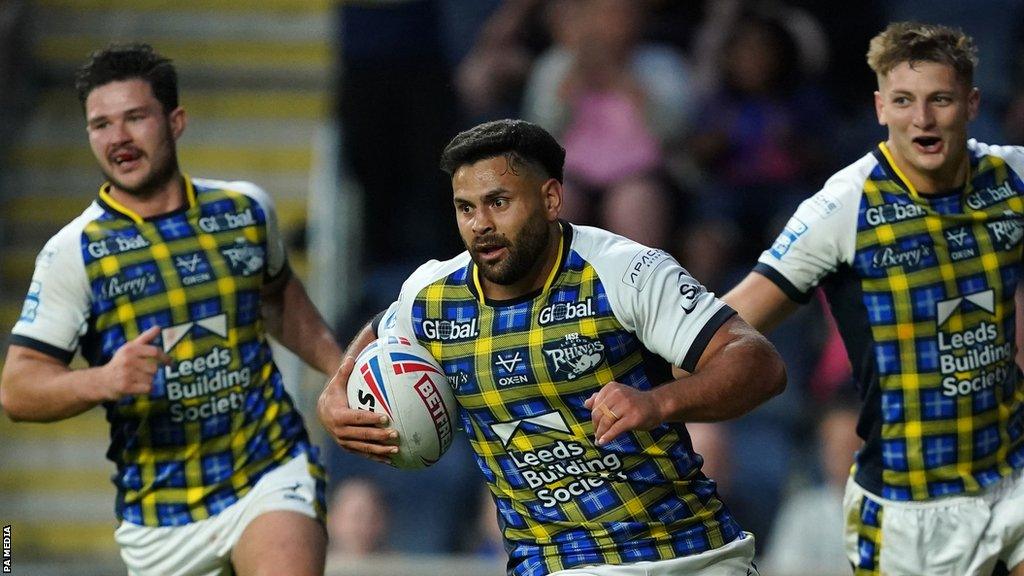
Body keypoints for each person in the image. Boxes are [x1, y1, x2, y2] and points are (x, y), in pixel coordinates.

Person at [318, 118, 786, 575]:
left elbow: (759, 364)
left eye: (498, 202)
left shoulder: (624, 273)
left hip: (693, 552)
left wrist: (658, 402)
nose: (480, 224)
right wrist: (336, 389)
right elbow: (384, 326)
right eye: (466, 208)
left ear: (550, 198)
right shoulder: (434, 297)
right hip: (559, 561)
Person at [0, 43, 341, 576]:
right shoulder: (73, 252)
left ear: (175, 121)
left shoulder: (245, 209)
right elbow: (16, 390)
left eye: (134, 118)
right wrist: (105, 380)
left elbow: (277, 298)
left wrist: (342, 372)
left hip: (269, 469)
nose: (118, 139)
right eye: (101, 125)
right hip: (162, 519)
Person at [723, 22, 1024, 576]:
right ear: (881, 107)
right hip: (909, 511)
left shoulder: (1013, 177)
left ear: (973, 103)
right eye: (905, 101)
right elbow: (728, 322)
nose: (924, 119)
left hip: (1013, 478)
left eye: (941, 99)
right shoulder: (842, 207)